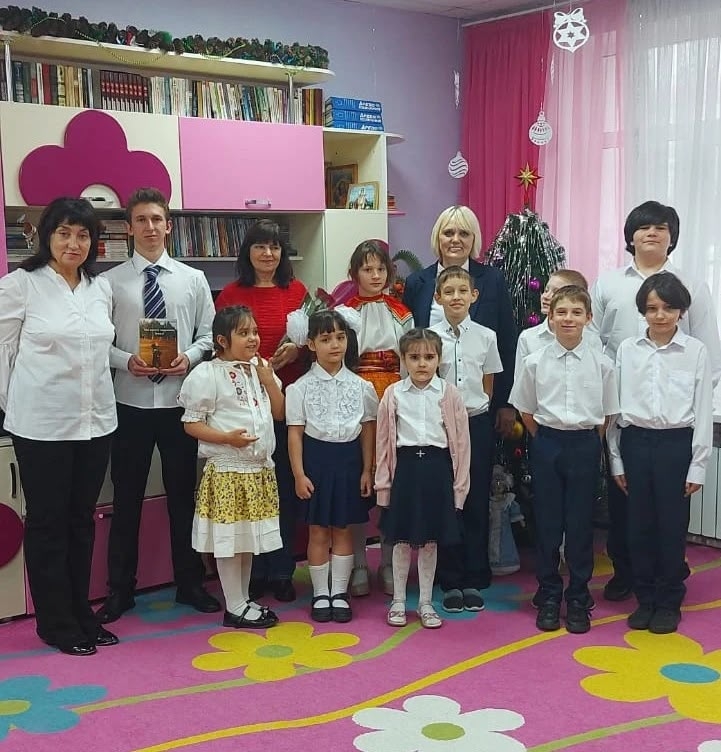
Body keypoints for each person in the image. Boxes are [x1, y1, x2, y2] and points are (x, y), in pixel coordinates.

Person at [0, 197, 119, 655]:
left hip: (95, 422)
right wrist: (18, 404)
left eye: (83, 234)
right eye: (64, 233)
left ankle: (81, 611)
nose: (74, 243)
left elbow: (100, 351)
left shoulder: (99, 288)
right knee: (48, 524)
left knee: (81, 521)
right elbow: (3, 353)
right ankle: (55, 622)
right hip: (42, 426)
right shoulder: (21, 285)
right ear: (47, 235)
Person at [97, 187, 220, 623]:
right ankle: (120, 590)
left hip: (180, 404)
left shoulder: (193, 279)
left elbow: (210, 335)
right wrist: (123, 360)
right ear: (129, 228)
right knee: (126, 499)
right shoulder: (109, 283)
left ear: (168, 226)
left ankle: (190, 583)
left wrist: (191, 356)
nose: (150, 227)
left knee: (183, 497)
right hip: (128, 404)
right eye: (141, 220)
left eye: (156, 219)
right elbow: (98, 340)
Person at [589, 200, 721, 602]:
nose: (652, 233)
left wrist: (689, 399)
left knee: (668, 516)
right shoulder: (608, 283)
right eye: (644, 227)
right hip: (625, 411)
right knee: (625, 505)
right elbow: (594, 342)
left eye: (661, 228)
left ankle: (668, 579)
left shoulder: (691, 285)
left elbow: (708, 354)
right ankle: (626, 573)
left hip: (672, 417)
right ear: (630, 236)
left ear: (671, 237)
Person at [607, 273, 713, 634]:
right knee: (638, 528)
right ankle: (646, 598)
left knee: (670, 528)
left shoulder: (695, 352)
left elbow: (702, 411)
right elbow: (615, 409)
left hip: (675, 446)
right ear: (642, 311)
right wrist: (616, 459)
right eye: (652, 308)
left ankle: (669, 601)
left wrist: (698, 465)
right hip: (635, 443)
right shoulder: (628, 349)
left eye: (668, 308)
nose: (660, 315)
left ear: (681, 310)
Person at [511, 286, 619, 634]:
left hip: (585, 444)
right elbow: (526, 410)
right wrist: (544, 440)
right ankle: (548, 594)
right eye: (561, 312)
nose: (568, 318)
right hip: (548, 443)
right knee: (547, 523)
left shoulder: (602, 364)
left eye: (576, 312)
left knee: (580, 525)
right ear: (550, 316)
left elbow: (607, 414)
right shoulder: (535, 362)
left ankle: (577, 597)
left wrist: (589, 443)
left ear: (588, 318)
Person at [215, 219, 308, 604]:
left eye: (274, 246)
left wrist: (297, 349)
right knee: (249, 491)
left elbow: (314, 341)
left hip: (285, 403)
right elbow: (220, 347)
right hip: (240, 405)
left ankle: (282, 570)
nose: (268, 254)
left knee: (283, 489)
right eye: (260, 246)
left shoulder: (297, 291)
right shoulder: (231, 293)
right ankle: (252, 572)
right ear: (247, 252)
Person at [179, 305, 285, 629]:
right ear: (222, 340)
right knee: (229, 540)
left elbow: (280, 413)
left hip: (258, 469)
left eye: (255, 331)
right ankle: (234, 605)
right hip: (228, 470)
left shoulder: (260, 368)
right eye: (243, 333)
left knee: (247, 538)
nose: (253, 338)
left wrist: (268, 381)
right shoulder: (207, 374)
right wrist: (227, 439)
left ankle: (243, 599)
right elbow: (191, 424)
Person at [286, 310, 378, 624]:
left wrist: (367, 469)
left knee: (343, 529)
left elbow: (367, 429)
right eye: (326, 339)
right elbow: (295, 434)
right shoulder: (300, 387)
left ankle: (339, 592)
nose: (335, 345)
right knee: (317, 531)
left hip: (349, 462)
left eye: (340, 337)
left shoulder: (361, 386)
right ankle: (320, 593)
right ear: (311, 343)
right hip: (316, 463)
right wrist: (299, 474)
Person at [375, 328, 470, 630]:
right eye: (414, 357)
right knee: (402, 540)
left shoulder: (450, 395)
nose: (422, 363)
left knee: (430, 542)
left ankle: (426, 602)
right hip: (405, 472)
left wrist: (459, 489)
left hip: (437, 471)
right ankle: (398, 600)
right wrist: (383, 487)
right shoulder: (393, 394)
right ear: (403, 359)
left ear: (439, 359)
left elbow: (462, 445)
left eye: (429, 357)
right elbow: (383, 444)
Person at [402, 205, 517, 443]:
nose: (456, 240)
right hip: (428, 407)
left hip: (477, 409)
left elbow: (507, 343)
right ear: (438, 237)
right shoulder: (417, 283)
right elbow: (409, 343)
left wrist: (506, 403)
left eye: (464, 233)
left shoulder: (492, 280)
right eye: (448, 233)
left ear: (474, 238)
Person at [343, 239, 414, 598]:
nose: (374, 275)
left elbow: (410, 360)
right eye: (367, 269)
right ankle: (357, 563)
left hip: (393, 397)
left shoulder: (402, 313)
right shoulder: (345, 313)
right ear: (353, 273)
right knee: (358, 479)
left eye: (380, 269)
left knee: (390, 481)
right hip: (356, 397)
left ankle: (387, 561)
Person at [429, 266, 502, 613]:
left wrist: (477, 411)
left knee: (475, 498)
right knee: (447, 500)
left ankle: (475, 574)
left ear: (474, 295)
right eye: (449, 291)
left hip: (476, 424)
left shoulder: (487, 336)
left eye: (462, 291)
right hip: (439, 427)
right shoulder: (428, 337)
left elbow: (488, 384)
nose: (455, 297)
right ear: (437, 297)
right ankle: (450, 577)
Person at [514, 268, 601, 385]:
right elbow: (521, 385)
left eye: (555, 292)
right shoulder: (528, 338)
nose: (546, 296)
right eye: (546, 290)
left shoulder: (592, 340)